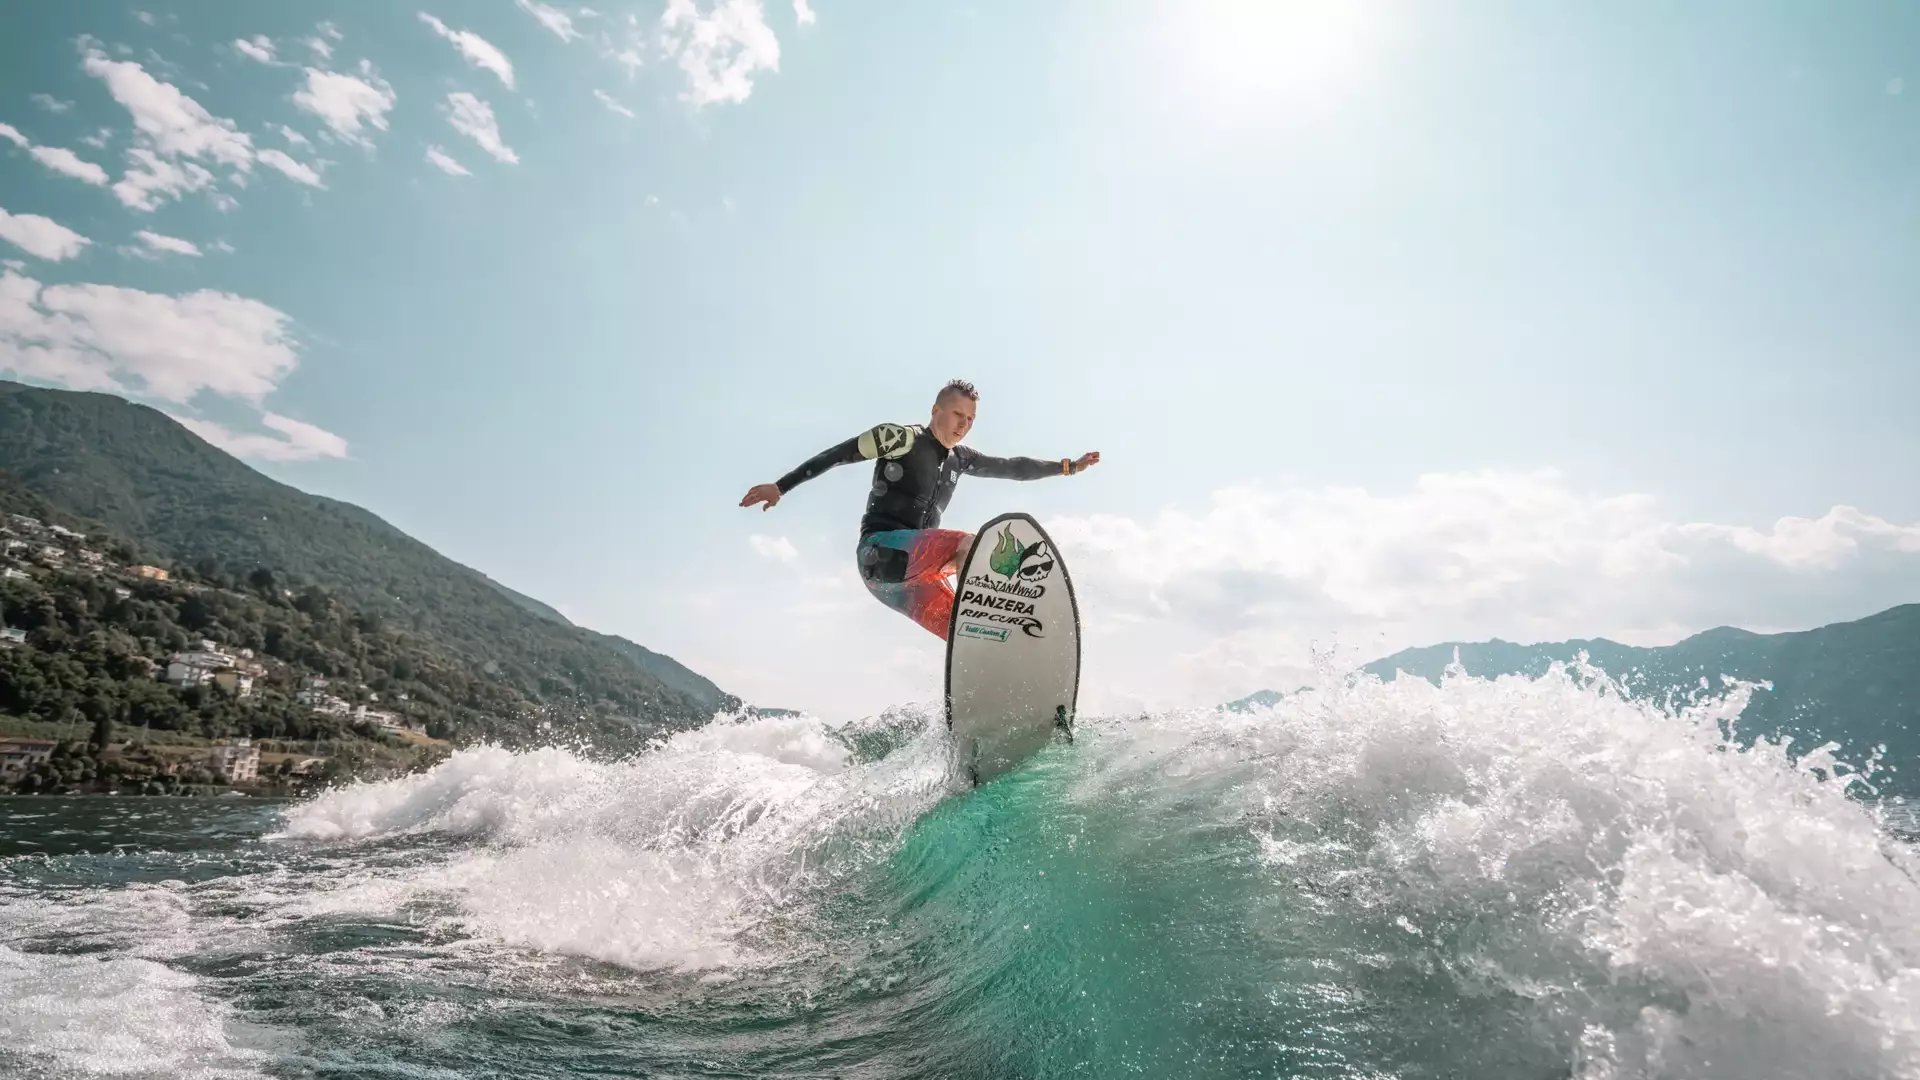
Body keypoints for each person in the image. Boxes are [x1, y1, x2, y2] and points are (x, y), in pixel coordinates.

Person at [740, 380, 1099, 640]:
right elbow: (837, 454)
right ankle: (995, 613)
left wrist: (1067, 467)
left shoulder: (961, 459)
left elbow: (1013, 467)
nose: (964, 424)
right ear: (935, 411)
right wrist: (781, 486)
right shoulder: (901, 438)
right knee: (972, 546)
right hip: (880, 555)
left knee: (968, 637)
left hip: (908, 584)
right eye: (958, 414)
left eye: (970, 419)